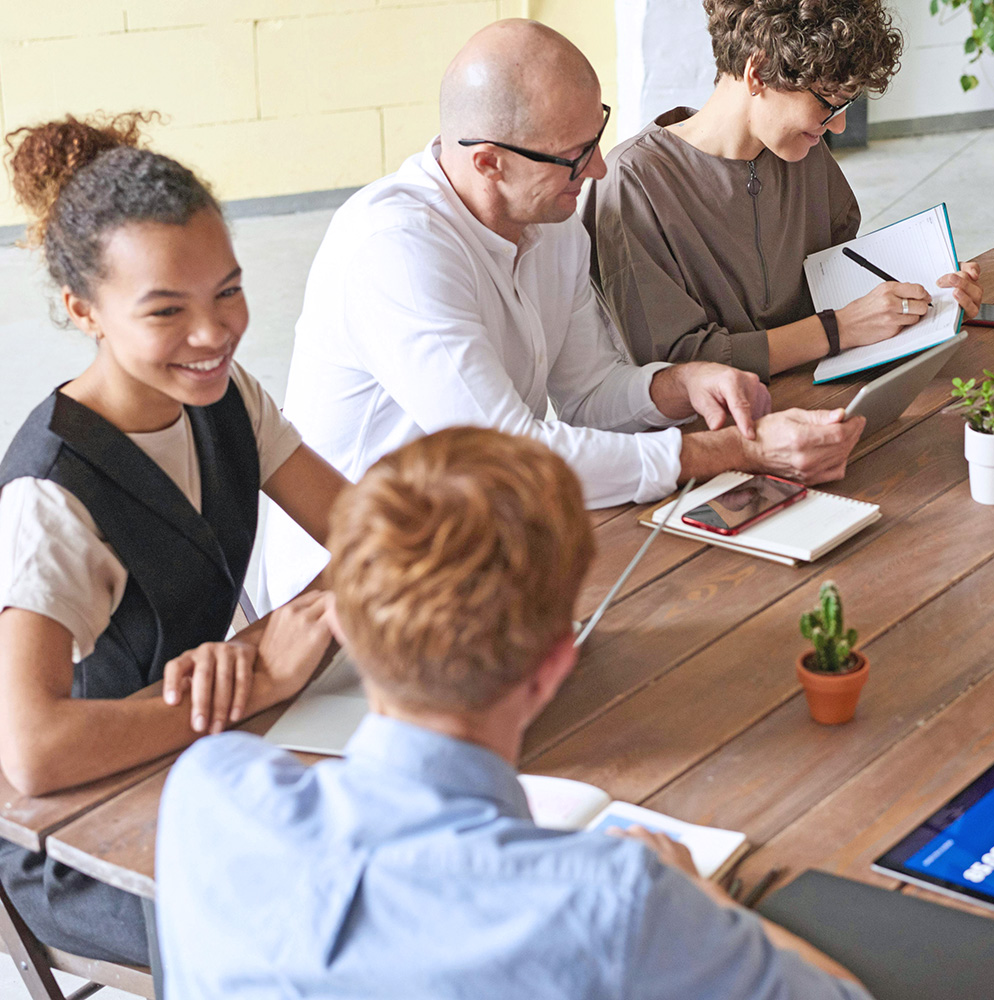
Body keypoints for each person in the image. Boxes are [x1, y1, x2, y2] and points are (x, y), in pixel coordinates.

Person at [158, 425, 872, 999]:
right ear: (557, 659)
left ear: (341, 626)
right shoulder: (619, 904)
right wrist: (699, 902)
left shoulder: (207, 794)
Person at [258, 18, 864, 610]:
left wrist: (680, 382)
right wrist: (736, 451)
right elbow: (511, 454)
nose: (599, 168)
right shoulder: (396, 248)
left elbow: (589, 393)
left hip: (480, 547)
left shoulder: (551, 226)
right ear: (489, 162)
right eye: (574, 155)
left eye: (597, 136)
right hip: (344, 588)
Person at [0, 113, 345, 965]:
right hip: (74, 838)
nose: (213, 333)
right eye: (167, 310)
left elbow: (369, 533)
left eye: (227, 290)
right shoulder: (51, 495)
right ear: (85, 311)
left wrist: (270, 645)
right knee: (325, 938)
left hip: (204, 764)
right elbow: (34, 753)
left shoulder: (226, 398)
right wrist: (256, 682)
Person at [585, 0, 983, 380]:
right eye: (829, 102)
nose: (839, 126)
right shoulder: (632, 182)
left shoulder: (800, 152)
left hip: (821, 395)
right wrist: (837, 330)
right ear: (757, 73)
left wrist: (929, 288)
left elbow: (842, 272)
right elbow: (673, 366)